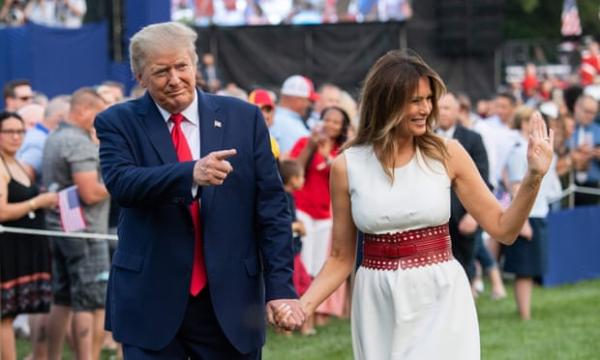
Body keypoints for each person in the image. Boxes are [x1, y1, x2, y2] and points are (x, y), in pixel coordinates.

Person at [289, 50, 554, 359]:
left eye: (429, 99)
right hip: (378, 301)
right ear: (386, 102)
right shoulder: (347, 165)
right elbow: (340, 257)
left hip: (440, 294)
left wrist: (534, 176)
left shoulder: (448, 154)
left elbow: (503, 229)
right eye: (415, 100)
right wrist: (302, 306)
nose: (426, 109)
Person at [93, 22, 303, 359]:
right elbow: (122, 184)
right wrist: (191, 172)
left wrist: (281, 288)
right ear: (139, 76)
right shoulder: (117, 122)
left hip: (231, 300)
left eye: (181, 66)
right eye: (161, 71)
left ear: (194, 65)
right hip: (151, 299)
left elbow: (272, 209)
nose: (174, 79)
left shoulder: (244, 118)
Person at [42, 88, 110, 360]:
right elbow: (90, 192)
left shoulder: (55, 136)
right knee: (90, 303)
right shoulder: (79, 142)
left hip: (59, 228)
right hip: (86, 233)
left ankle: (52, 357)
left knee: (63, 299)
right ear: (83, 111)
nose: (100, 121)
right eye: (98, 114)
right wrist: (120, 183)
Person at [0, 111, 58, 360]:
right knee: (4, 315)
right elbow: (1, 211)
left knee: (12, 313)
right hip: (6, 250)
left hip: (24, 249)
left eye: (20, 131)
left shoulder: (18, 162)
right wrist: (37, 202)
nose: (16, 137)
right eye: (9, 131)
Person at [289, 106, 350, 324]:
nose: (331, 125)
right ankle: (298, 316)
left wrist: (328, 158)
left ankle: (311, 315)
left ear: (343, 127)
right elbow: (294, 170)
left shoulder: (343, 151)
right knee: (302, 264)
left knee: (318, 266)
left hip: (326, 214)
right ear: (320, 121)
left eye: (337, 122)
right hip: (303, 210)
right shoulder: (306, 142)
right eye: (328, 120)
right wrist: (310, 147)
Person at [505, 106, 561, 320]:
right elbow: (516, 187)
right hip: (528, 216)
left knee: (531, 268)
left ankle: (526, 313)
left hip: (540, 213)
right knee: (524, 270)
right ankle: (524, 315)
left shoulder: (546, 151)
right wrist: (523, 221)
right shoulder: (520, 152)